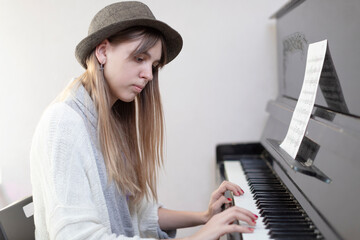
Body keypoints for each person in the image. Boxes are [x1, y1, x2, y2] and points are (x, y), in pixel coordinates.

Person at [30, 1, 257, 239]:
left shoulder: (111, 120)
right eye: (140, 58)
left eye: (154, 65)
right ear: (103, 51)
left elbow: (135, 212)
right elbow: (77, 236)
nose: (149, 75)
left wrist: (204, 216)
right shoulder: (63, 124)